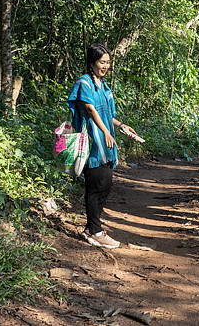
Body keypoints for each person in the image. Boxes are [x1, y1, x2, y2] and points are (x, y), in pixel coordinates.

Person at [67, 43, 141, 249]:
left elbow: (110, 115)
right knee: (95, 186)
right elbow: (90, 109)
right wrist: (106, 132)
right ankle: (96, 231)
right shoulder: (85, 83)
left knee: (106, 186)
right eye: (102, 62)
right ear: (92, 63)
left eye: (108, 62)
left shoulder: (104, 86)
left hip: (107, 145)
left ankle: (92, 228)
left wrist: (121, 126)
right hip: (92, 144)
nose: (105, 66)